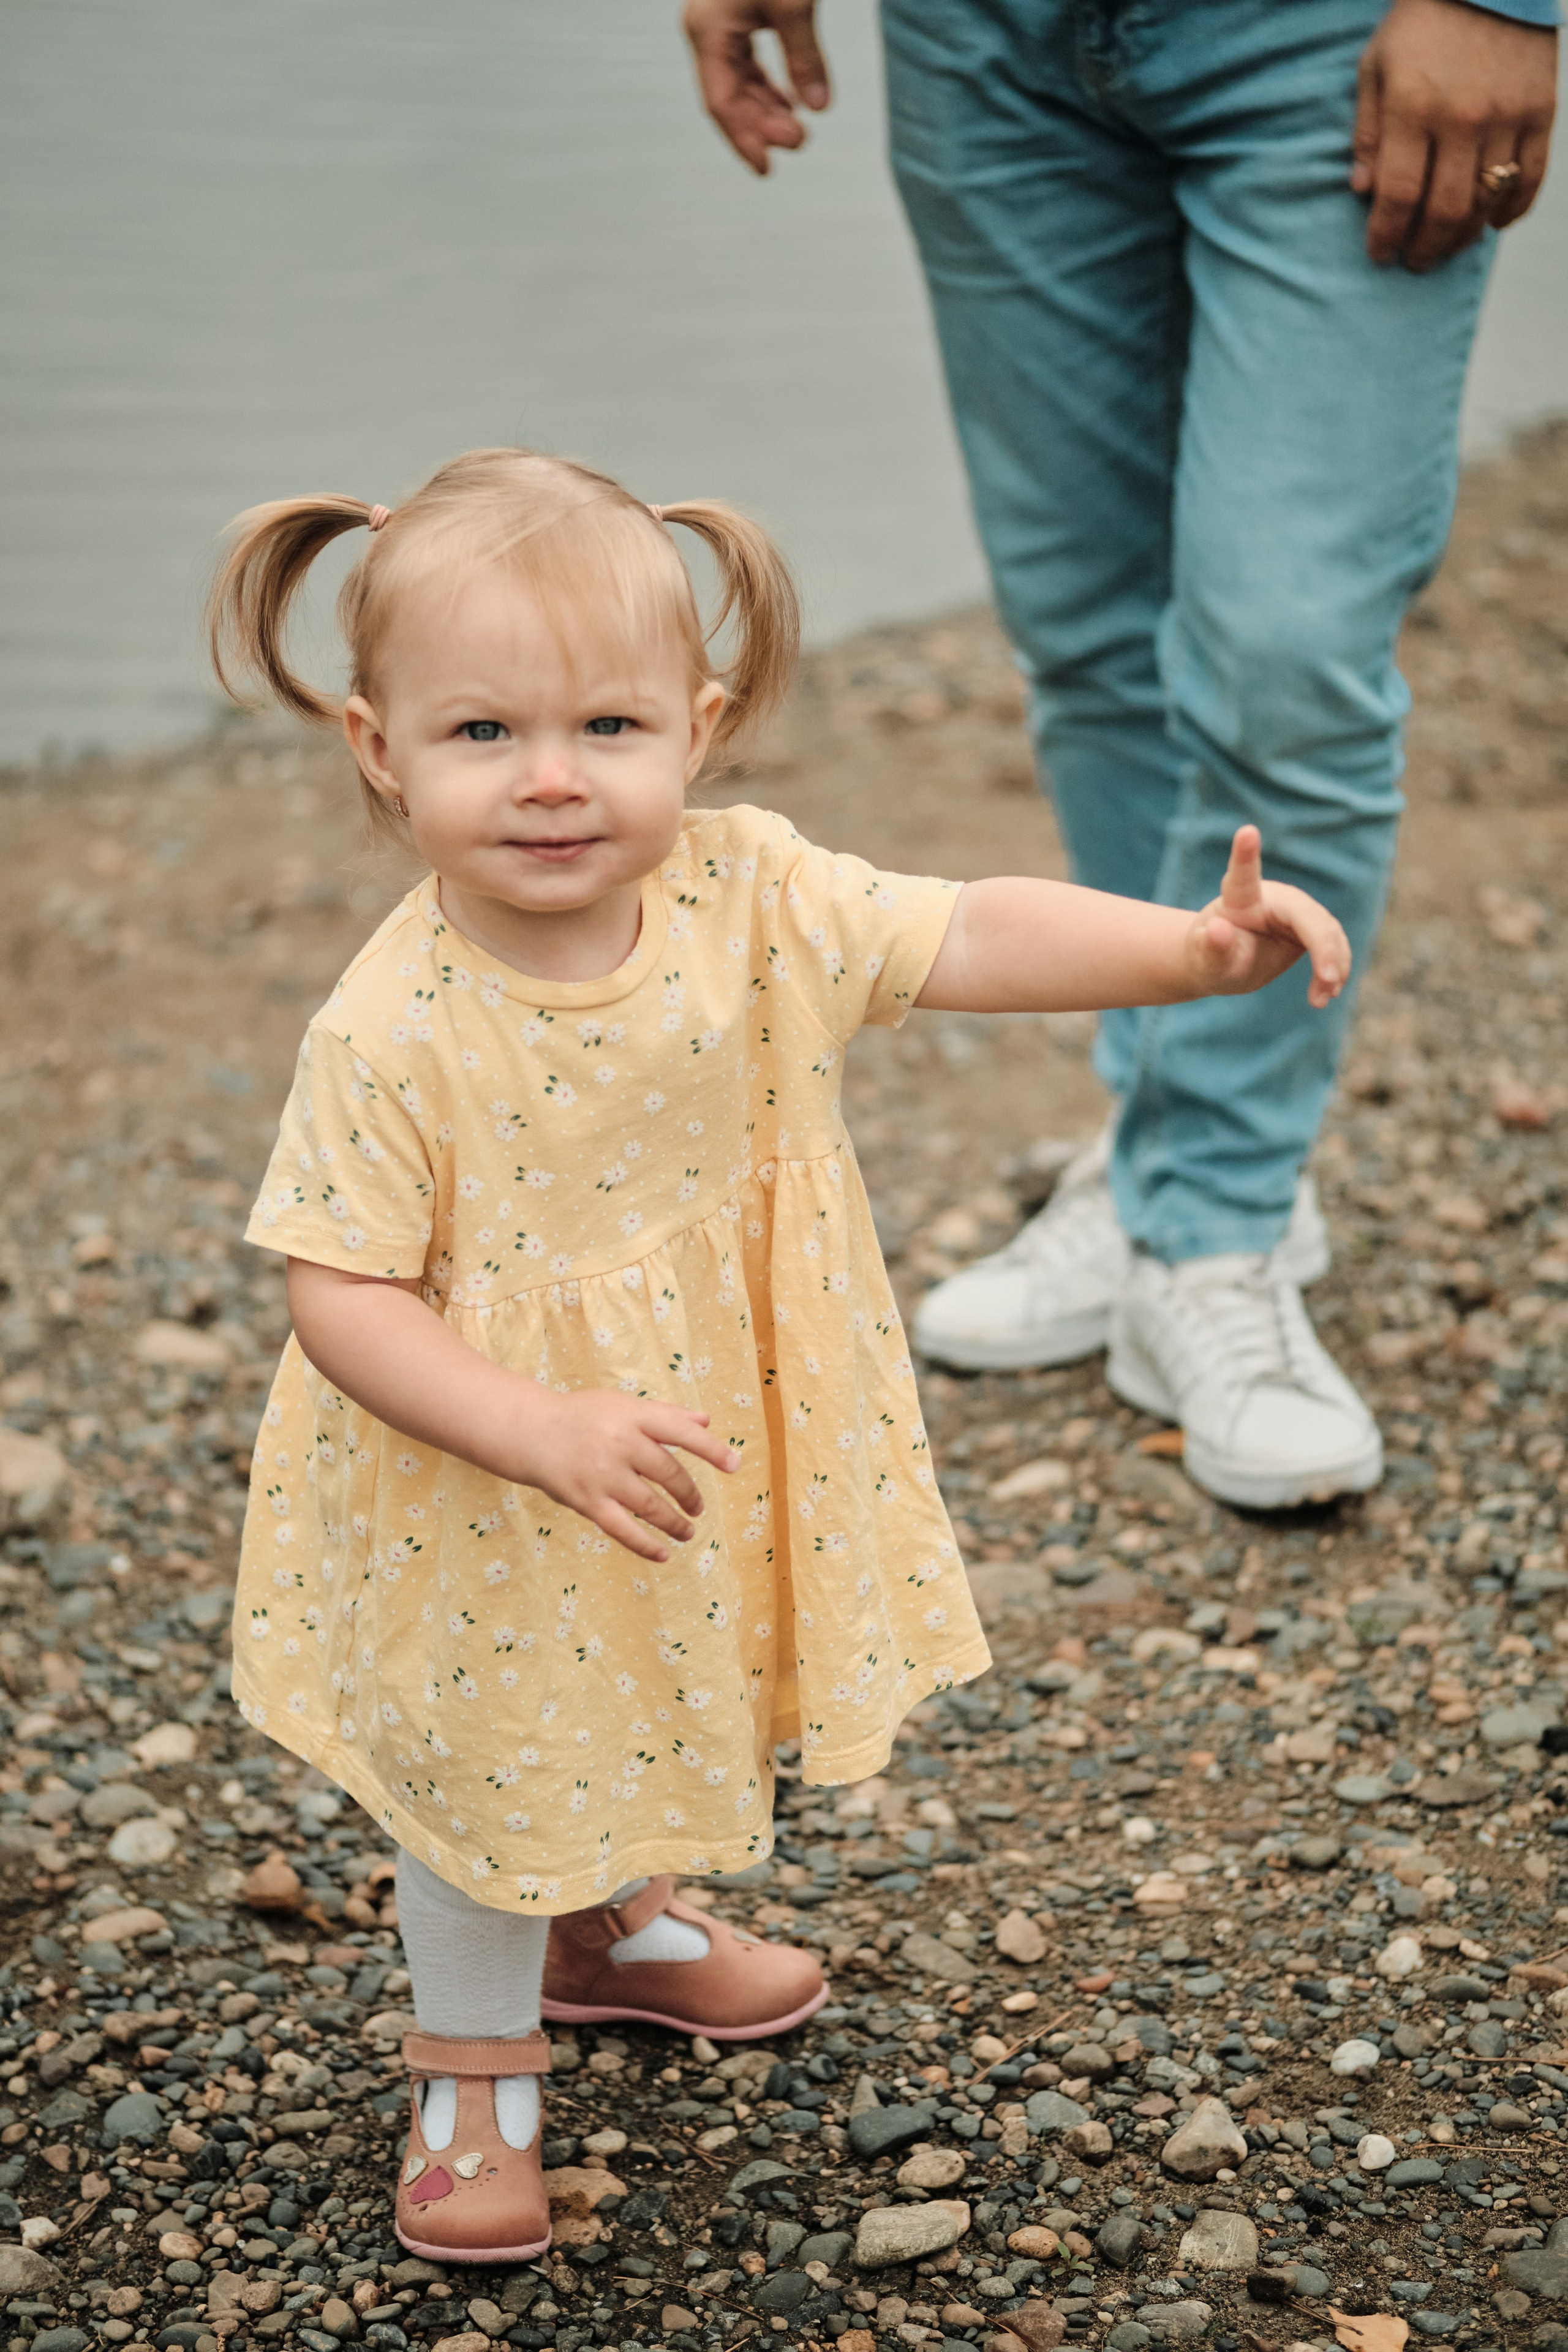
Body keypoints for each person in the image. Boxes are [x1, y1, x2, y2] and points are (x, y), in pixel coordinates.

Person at [210, 445, 1349, 2260]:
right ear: (379, 748)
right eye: (483, 732)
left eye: (607, 725)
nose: (553, 777)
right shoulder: (393, 1025)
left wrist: (1189, 956)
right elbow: (338, 1296)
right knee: (494, 1744)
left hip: (693, 1426)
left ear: (703, 723)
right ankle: (473, 2066)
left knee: (634, 1672)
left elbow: (966, 926)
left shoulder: (753, 898)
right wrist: (533, 1427)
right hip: (484, 1469)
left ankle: (601, 1927)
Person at [684, 0, 1558, 1510]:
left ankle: (1214, 1222)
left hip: (1322, 32)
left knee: (1285, 655)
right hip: (977, 42)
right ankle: (1165, 1142)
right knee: (1084, 625)